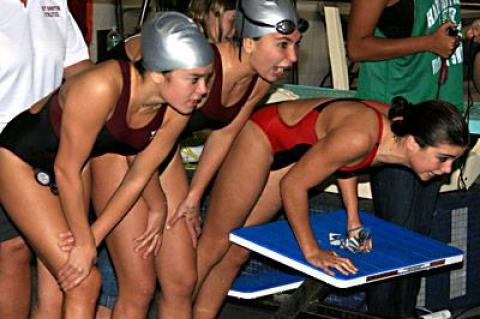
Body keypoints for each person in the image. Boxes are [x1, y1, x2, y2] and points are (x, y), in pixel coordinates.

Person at [91, 0, 307, 318]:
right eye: (282, 45)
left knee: (182, 281)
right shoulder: (199, 66)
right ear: (248, 43)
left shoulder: (259, 80)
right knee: (138, 286)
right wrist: (155, 204)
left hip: (160, 148)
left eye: (295, 46)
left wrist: (193, 197)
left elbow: (224, 133)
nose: (292, 58)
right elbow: (136, 137)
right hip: (117, 145)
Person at [0, 11, 213, 319]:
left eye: (206, 79)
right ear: (156, 73)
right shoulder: (101, 87)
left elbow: (138, 175)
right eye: (193, 80)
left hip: (73, 166)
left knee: (63, 286)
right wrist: (85, 242)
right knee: (84, 280)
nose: (203, 90)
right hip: (20, 161)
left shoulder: (176, 110)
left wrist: (154, 208)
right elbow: (66, 169)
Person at [192, 96, 469, 318]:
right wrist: (312, 251)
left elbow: (344, 163)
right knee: (216, 241)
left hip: (294, 153)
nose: (446, 170)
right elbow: (293, 186)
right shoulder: (361, 136)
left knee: (239, 250)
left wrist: (353, 220)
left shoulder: (394, 131)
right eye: (442, 158)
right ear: (412, 143)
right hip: (265, 135)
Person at [346, 1, 475, 317]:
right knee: (394, 234)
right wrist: (428, 43)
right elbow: (357, 47)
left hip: (436, 120)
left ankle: (404, 312)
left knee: (417, 233)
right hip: (398, 125)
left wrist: (467, 34)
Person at [0, 1, 92, 318]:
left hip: (51, 147)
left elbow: (80, 71)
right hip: (5, 151)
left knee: (60, 268)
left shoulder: (54, 2)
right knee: (12, 250)